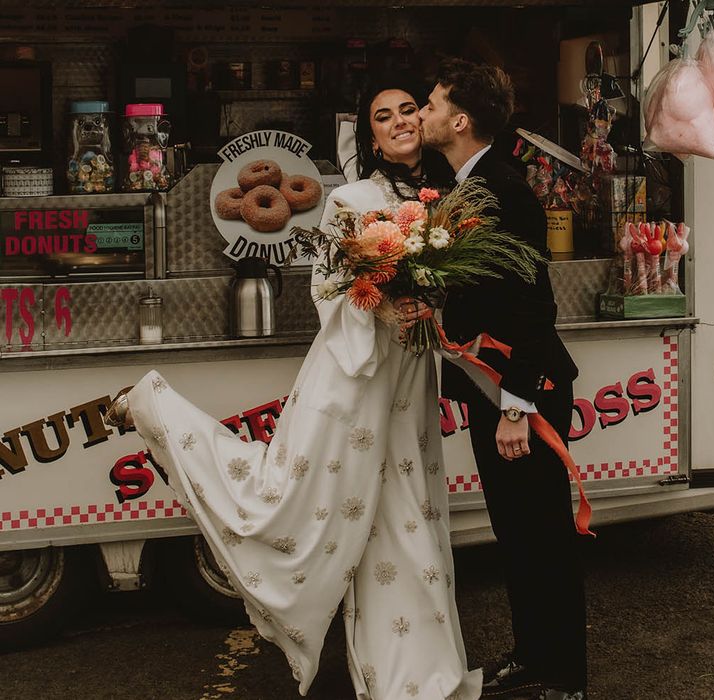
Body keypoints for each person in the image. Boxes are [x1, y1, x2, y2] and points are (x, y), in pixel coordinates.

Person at [104, 77, 482, 700]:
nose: (400, 122)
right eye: (383, 117)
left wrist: (431, 310)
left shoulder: (449, 197)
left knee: (407, 512)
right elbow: (328, 287)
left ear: (427, 119)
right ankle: (158, 410)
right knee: (293, 502)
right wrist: (382, 312)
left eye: (409, 110)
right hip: (355, 372)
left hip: (410, 374)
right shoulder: (351, 199)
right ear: (374, 138)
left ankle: (409, 675)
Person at [419, 59, 586, 700]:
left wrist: (516, 405)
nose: (423, 114)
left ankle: (567, 675)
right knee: (514, 531)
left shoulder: (505, 189)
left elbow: (532, 308)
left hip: (525, 390)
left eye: (432, 105)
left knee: (544, 533)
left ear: (460, 120)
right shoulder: (463, 183)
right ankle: (532, 652)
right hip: (492, 388)